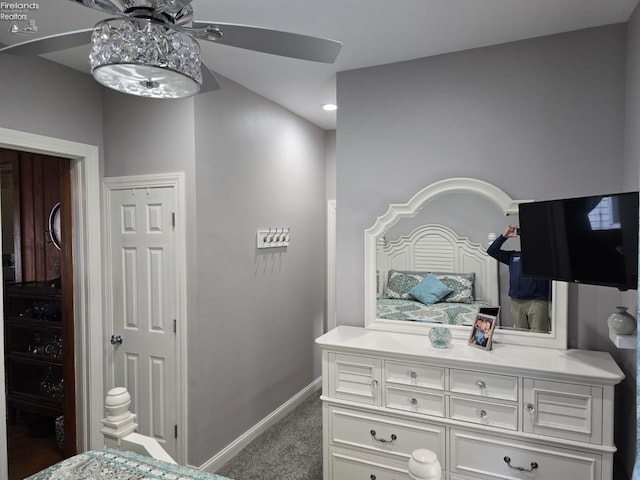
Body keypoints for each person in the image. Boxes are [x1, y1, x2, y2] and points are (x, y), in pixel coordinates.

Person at [487, 225, 551, 333]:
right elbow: (492, 251)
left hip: (537, 302)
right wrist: (504, 236)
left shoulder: (544, 255)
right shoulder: (514, 256)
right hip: (516, 302)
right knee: (520, 334)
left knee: (539, 335)